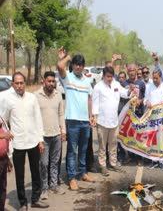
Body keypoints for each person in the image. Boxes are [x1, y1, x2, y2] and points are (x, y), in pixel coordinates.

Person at [0, 72, 49, 210]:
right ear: (12, 84)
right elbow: (3, 121)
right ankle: (22, 202)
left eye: (22, 83)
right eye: (17, 83)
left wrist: (40, 139)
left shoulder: (32, 98)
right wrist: (6, 138)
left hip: (33, 141)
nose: (19, 86)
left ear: (25, 83)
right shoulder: (8, 100)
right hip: (17, 144)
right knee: (19, 175)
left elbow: (38, 119)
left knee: (36, 172)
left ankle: (35, 199)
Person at [57, 48, 94, 191]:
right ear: (72, 66)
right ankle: (72, 178)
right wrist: (67, 57)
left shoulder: (87, 81)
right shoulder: (67, 78)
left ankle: (82, 173)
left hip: (85, 121)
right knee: (72, 151)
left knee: (83, 149)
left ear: (83, 67)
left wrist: (91, 117)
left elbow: (89, 99)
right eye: (76, 64)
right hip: (72, 121)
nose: (78, 67)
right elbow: (60, 67)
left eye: (80, 65)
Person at [92, 66, 133, 176]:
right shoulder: (98, 87)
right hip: (102, 121)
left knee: (113, 144)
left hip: (114, 121)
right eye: (108, 76)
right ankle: (103, 165)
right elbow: (95, 103)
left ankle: (113, 163)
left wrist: (130, 90)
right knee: (102, 145)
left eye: (111, 76)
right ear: (103, 76)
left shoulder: (116, 84)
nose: (110, 78)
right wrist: (94, 117)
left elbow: (124, 93)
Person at [35, 71, 66, 200]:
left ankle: (53, 185)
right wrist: (37, 137)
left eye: (53, 81)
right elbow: (34, 117)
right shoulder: (36, 96)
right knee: (43, 163)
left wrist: (63, 131)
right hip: (43, 136)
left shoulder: (58, 95)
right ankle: (44, 189)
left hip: (56, 135)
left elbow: (60, 114)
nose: (51, 84)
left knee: (54, 162)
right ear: (44, 81)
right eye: (49, 81)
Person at [145, 69, 163, 171]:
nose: (155, 80)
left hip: (162, 119)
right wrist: (147, 102)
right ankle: (153, 161)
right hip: (152, 118)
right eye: (154, 78)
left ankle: (162, 161)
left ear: (161, 77)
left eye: (157, 78)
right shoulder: (149, 87)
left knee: (162, 139)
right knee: (153, 139)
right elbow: (145, 99)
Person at [0, 117, 13, 211]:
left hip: (3, 158)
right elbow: (4, 134)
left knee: (2, 186)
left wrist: (8, 159)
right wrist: (3, 135)